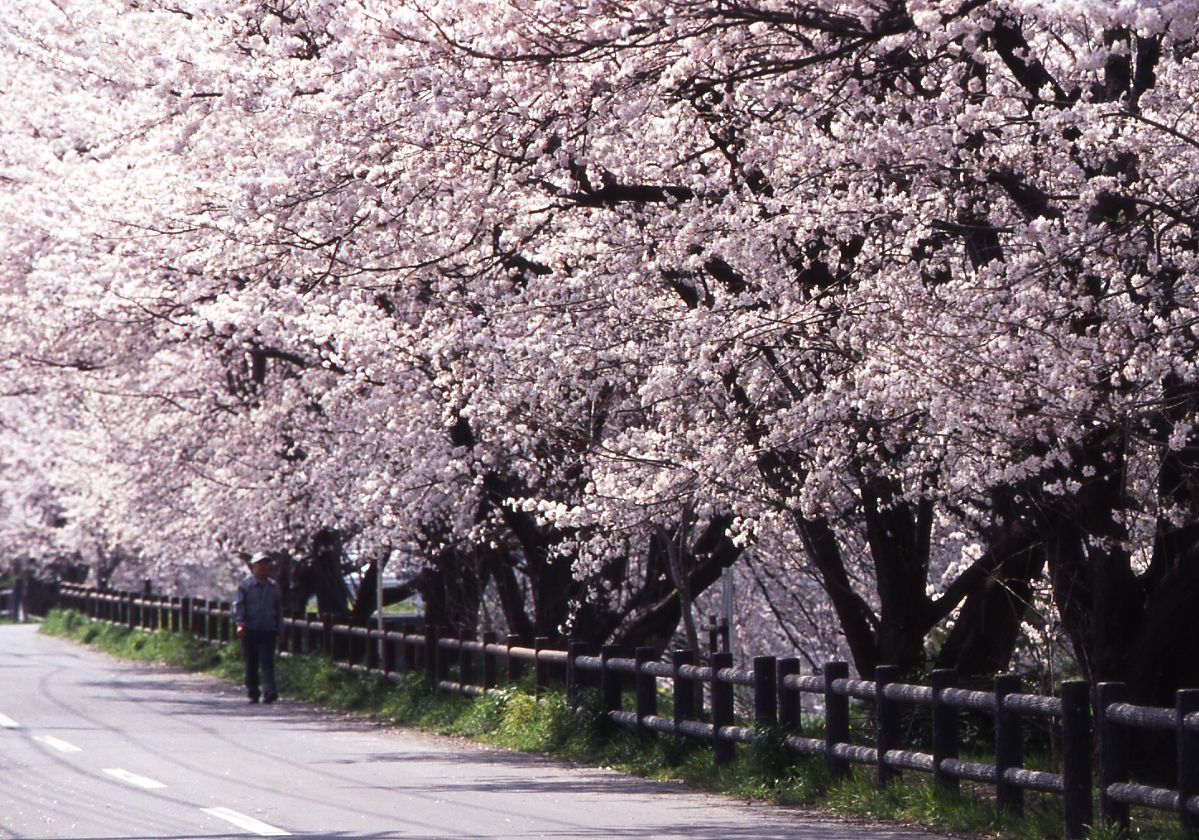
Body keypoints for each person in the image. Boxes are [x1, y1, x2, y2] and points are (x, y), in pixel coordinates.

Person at [232, 553, 284, 704]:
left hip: (268, 629)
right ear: (253, 567)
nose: (263, 568)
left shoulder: (274, 587)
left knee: (267, 661)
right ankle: (253, 691)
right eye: (260, 564)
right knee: (251, 662)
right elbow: (238, 606)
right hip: (250, 629)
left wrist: (280, 629)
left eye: (266, 564)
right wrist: (240, 624)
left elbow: (279, 609)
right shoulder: (245, 586)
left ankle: (270, 691)